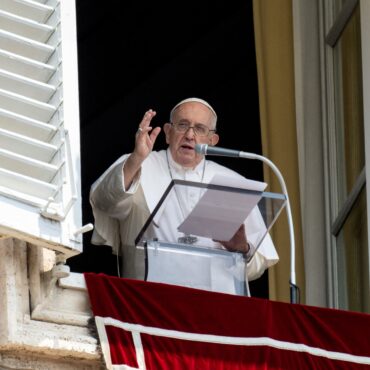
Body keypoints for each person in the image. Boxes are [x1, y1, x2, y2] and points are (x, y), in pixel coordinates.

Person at [89, 97, 279, 293]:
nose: (190, 135)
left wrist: (241, 250)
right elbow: (106, 202)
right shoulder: (140, 165)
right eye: (183, 125)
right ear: (168, 133)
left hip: (215, 309)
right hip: (149, 302)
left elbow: (259, 265)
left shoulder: (233, 182)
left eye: (200, 129)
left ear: (212, 141)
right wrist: (136, 157)